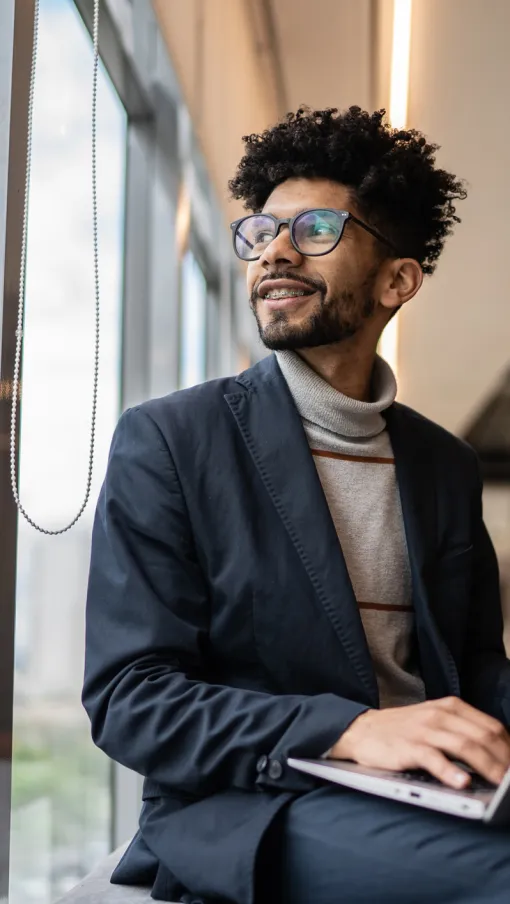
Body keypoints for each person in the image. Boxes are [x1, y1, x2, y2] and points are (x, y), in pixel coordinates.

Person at [83, 106, 510, 904]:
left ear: (398, 280)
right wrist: (348, 730)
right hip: (258, 805)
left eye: (315, 228)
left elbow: (476, 663)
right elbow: (131, 698)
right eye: (261, 231)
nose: (274, 250)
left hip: (434, 788)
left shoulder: (444, 466)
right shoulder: (171, 441)